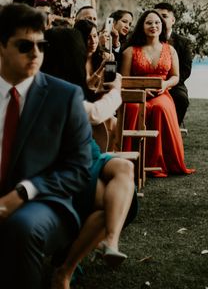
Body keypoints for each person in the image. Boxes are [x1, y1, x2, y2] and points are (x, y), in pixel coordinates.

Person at [0, 4, 92, 288]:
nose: (36, 53)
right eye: (25, 46)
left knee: (22, 228)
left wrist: (23, 192)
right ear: (1, 46)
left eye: (42, 45)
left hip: (44, 202)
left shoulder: (64, 96)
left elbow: (78, 170)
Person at [41, 28, 136, 288]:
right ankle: (66, 268)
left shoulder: (65, 79)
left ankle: (111, 242)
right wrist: (116, 90)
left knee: (125, 168)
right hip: (69, 159)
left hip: (89, 151)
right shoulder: (47, 84)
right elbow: (93, 113)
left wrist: (94, 84)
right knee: (112, 202)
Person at [120, 10, 194, 177]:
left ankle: (160, 163)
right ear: (142, 26)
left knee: (161, 108)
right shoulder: (130, 51)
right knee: (132, 108)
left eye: (157, 23)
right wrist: (140, 90)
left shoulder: (171, 50)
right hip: (135, 93)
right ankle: (129, 161)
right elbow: (124, 80)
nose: (153, 26)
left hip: (162, 93)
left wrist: (165, 85)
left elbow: (175, 76)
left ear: (162, 26)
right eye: (149, 23)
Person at [154, 3, 193, 126]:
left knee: (181, 99)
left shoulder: (184, 42)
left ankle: (172, 129)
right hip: (149, 82)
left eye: (164, 16)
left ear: (173, 20)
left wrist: (169, 84)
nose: (160, 20)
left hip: (175, 84)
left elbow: (186, 70)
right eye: (157, 16)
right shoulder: (145, 39)